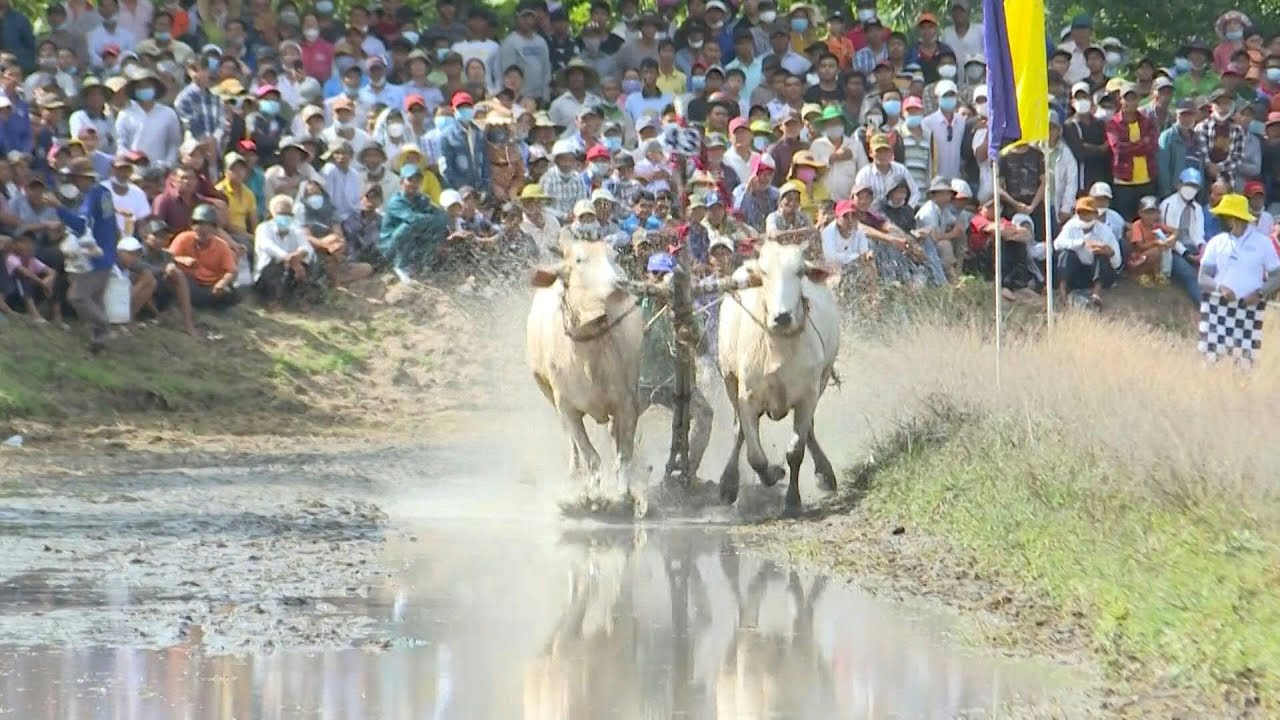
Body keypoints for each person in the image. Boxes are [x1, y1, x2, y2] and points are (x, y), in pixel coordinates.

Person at [637, 250, 712, 478]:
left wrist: (692, 329)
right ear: (647, 277)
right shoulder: (635, 306)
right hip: (642, 381)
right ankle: (629, 470)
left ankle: (688, 472)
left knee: (705, 415)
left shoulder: (686, 307)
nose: (662, 281)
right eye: (656, 275)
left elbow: (704, 348)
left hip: (677, 384)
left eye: (666, 275)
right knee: (618, 421)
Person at [1197, 193, 1280, 365]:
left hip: (1249, 310)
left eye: (1222, 216)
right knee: (1212, 360)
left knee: (1244, 363)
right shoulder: (1216, 242)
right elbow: (1203, 277)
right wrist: (1220, 287)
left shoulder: (1263, 243)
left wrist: (1259, 293)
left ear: (1232, 219)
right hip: (1218, 309)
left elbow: (1277, 275)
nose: (1218, 219)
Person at [55, 158, 118, 353]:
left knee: (77, 296)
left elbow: (81, 225)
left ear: (84, 178)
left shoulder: (91, 196)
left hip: (95, 258)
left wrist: (58, 207)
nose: (73, 182)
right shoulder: (104, 193)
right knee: (96, 299)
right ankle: (99, 342)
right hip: (106, 253)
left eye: (75, 178)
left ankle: (105, 326)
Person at [378, 164, 448, 283]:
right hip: (389, 245)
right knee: (409, 226)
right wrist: (431, 219)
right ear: (401, 182)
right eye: (410, 180)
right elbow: (413, 219)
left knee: (438, 225)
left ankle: (423, 266)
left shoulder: (422, 199)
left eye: (417, 181)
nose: (414, 184)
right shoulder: (396, 201)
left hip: (412, 243)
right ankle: (400, 266)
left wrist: (435, 219)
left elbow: (441, 215)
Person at [167, 203, 239, 310]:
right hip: (190, 282)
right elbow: (167, 258)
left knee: (231, 295)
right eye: (199, 224)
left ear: (214, 229)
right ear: (192, 226)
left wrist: (221, 283)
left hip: (212, 285)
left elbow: (231, 271)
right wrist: (182, 260)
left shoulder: (221, 245)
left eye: (208, 225)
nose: (203, 229)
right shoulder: (183, 238)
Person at [1055, 196, 1121, 307]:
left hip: (1097, 274)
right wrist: (1080, 243)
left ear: (1095, 214)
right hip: (1076, 272)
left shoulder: (1104, 231)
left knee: (1101, 256)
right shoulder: (1070, 226)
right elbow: (1057, 244)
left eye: (1088, 213)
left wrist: (1110, 253)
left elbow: (1117, 263)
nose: (1084, 217)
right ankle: (1062, 292)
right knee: (1065, 254)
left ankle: (1096, 294)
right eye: (1081, 213)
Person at [254, 195, 317, 310]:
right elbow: (270, 248)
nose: (284, 217)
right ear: (272, 213)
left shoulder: (295, 227)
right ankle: (272, 302)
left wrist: (298, 256)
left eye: (288, 214)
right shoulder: (263, 228)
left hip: (291, 271)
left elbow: (307, 247)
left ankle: (300, 299)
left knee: (306, 264)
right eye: (281, 213)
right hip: (268, 276)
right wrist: (291, 260)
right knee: (274, 265)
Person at [1106, 83, 1158, 221]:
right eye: (1127, 98)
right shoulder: (1113, 123)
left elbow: (1152, 145)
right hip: (1124, 181)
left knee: (1147, 221)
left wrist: (1131, 146)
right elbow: (1117, 148)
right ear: (1121, 100)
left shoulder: (1147, 121)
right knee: (1126, 221)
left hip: (1146, 180)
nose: (1130, 102)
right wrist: (1141, 144)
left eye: (1134, 98)